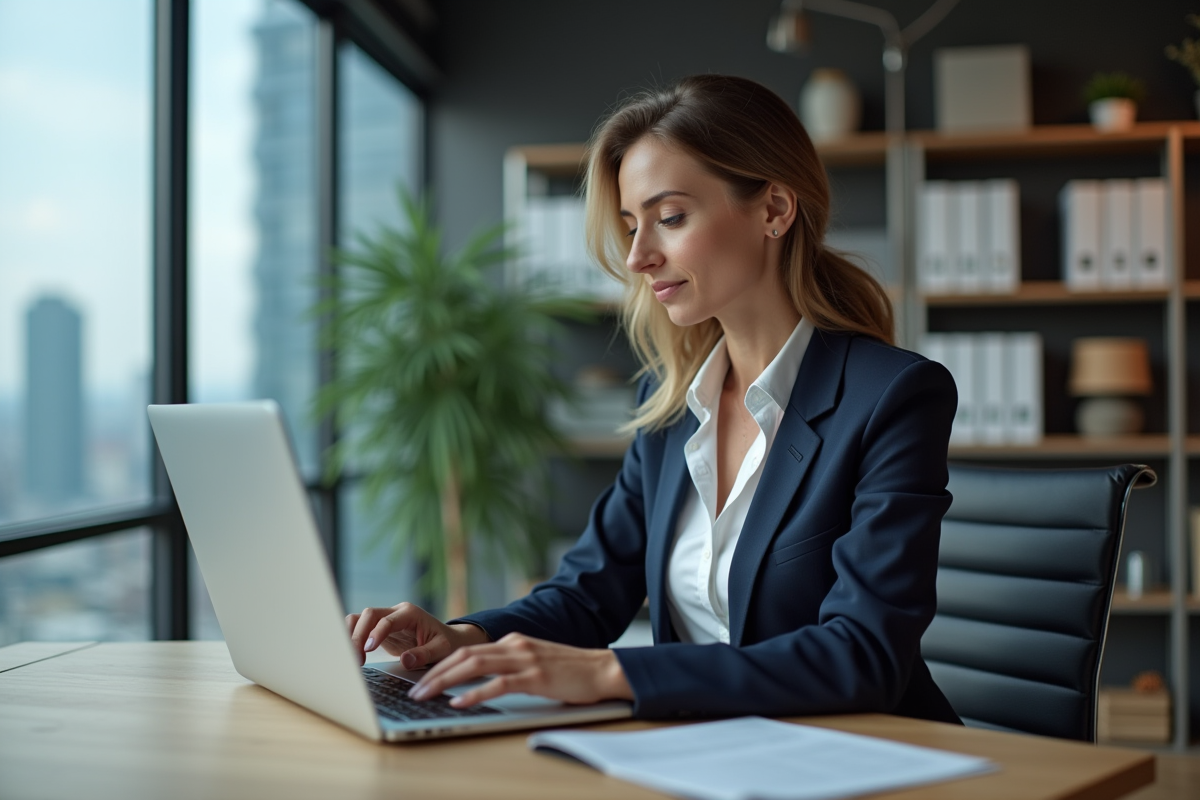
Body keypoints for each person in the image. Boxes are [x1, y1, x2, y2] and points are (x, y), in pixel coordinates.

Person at [347, 74, 961, 724]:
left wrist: (612, 673)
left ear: (775, 210)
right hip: (708, 754)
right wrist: (466, 639)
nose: (639, 256)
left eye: (669, 218)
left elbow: (863, 656)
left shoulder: (891, 397)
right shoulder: (670, 406)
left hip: (869, 761)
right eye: (631, 225)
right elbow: (589, 594)